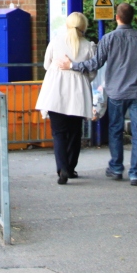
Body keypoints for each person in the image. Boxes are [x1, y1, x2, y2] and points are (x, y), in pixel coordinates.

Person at [58, 2, 137, 186]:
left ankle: (116, 167)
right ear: (133, 18)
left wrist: (72, 66)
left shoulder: (108, 39)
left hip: (115, 93)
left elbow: (94, 64)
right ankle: (136, 173)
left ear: (117, 18)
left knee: (115, 130)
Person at [35, 11, 96, 185]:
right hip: (77, 94)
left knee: (59, 133)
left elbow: (47, 65)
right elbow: (92, 72)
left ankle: (62, 169)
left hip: (55, 92)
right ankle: (70, 167)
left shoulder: (55, 42)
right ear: (83, 27)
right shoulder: (88, 46)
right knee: (75, 133)